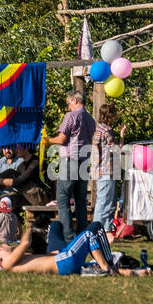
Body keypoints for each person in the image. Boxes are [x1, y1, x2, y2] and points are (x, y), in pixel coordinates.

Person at [0, 220, 149, 276]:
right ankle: (106, 267)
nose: (11, 246)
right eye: (7, 246)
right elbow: (25, 243)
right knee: (89, 234)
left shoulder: (17, 260)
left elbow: (39, 258)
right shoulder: (6, 262)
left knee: (92, 266)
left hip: (63, 265)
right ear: (0, 249)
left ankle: (137, 273)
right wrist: (30, 228)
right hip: (64, 262)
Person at [45, 89, 95, 243]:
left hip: (70, 160)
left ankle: (68, 238)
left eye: (68, 103)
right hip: (84, 161)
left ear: (75, 100)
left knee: (63, 199)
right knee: (80, 201)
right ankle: (82, 235)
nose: (68, 107)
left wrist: (47, 140)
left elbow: (61, 139)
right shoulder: (90, 119)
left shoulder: (71, 116)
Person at [92, 103, 125, 230]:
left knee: (108, 203)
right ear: (110, 116)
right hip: (106, 171)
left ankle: (105, 230)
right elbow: (117, 150)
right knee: (104, 203)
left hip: (101, 171)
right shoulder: (106, 131)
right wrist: (122, 135)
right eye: (114, 115)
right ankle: (96, 230)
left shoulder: (99, 129)